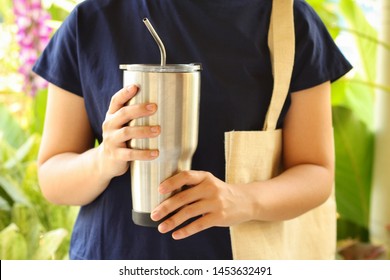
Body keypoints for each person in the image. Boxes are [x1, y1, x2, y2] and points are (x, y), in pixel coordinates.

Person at [33, 0, 352, 260]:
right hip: (112, 257)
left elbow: (315, 172)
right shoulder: (91, 20)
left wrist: (241, 200)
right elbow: (53, 177)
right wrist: (104, 159)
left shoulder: (288, 21)